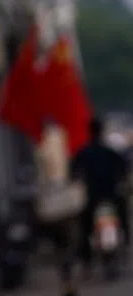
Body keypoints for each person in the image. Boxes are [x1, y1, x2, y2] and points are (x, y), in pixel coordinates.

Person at [71, 117, 131, 274]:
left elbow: (74, 173)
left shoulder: (83, 152)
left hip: (92, 198)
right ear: (102, 131)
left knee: (85, 229)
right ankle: (124, 245)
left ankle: (87, 262)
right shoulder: (110, 152)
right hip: (112, 196)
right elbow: (124, 170)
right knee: (123, 221)